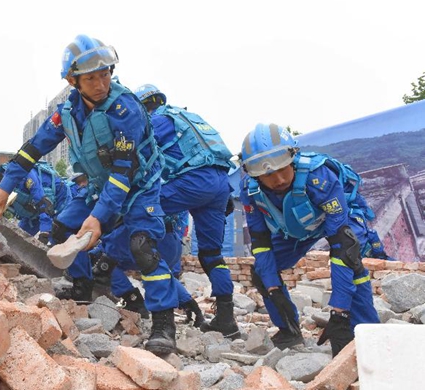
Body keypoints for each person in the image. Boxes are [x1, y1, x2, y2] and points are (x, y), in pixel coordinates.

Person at [0, 35, 178, 355]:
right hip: (97, 186)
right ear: (73, 81)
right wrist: (4, 190)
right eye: (91, 77)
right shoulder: (66, 113)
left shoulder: (126, 109)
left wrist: (97, 218)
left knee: (143, 247)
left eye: (105, 74)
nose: (100, 83)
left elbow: (123, 173)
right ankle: (86, 286)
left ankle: (164, 322)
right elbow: (32, 150)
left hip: (138, 187)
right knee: (62, 229)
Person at [238, 123, 380, 356]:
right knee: (263, 274)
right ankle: (288, 329)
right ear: (253, 174)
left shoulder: (319, 177)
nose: (279, 179)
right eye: (268, 175)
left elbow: (341, 245)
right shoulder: (250, 189)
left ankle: (364, 331)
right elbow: (260, 239)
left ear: (293, 157)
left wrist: (339, 312)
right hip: (296, 227)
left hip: (337, 220)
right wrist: (273, 289)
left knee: (351, 262)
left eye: (283, 168)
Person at [134, 84, 240, 339]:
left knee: (138, 212)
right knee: (212, 254)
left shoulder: (157, 120)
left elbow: (137, 156)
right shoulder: (190, 119)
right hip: (220, 183)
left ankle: (162, 314)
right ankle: (227, 320)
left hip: (193, 182)